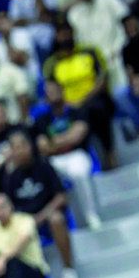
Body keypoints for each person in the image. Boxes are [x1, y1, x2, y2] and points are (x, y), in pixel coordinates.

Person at [2, 131, 79, 278]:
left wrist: (41, 216)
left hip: (47, 216)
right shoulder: (10, 177)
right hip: (26, 222)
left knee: (56, 219)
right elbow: (10, 209)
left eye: (23, 145)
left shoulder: (44, 166)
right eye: (15, 147)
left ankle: (69, 270)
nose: (20, 150)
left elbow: (61, 197)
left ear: (30, 146)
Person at [43, 21, 117, 169]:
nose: (64, 37)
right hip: (67, 105)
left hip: (94, 100)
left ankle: (109, 156)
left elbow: (102, 78)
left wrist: (84, 100)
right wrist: (67, 103)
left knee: (96, 110)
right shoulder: (51, 63)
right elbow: (50, 88)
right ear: (56, 37)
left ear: (72, 33)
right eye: (60, 34)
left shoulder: (89, 51)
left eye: (67, 33)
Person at [34, 80, 103, 230]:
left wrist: (55, 142)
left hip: (77, 154)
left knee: (79, 172)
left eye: (54, 90)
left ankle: (91, 215)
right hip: (54, 160)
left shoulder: (76, 111)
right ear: (45, 98)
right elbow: (43, 147)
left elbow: (78, 136)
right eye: (48, 92)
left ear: (62, 90)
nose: (52, 94)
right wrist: (66, 138)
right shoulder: (41, 120)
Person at [67, 0, 130, 90]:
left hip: (120, 52)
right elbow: (80, 46)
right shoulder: (73, 15)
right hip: (96, 64)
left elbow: (127, 24)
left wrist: (119, 49)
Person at [0, 11, 40, 90]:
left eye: (3, 18)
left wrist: (6, 38)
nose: (0, 22)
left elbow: (20, 59)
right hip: (9, 84)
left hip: (28, 77)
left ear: (10, 21)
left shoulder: (22, 34)